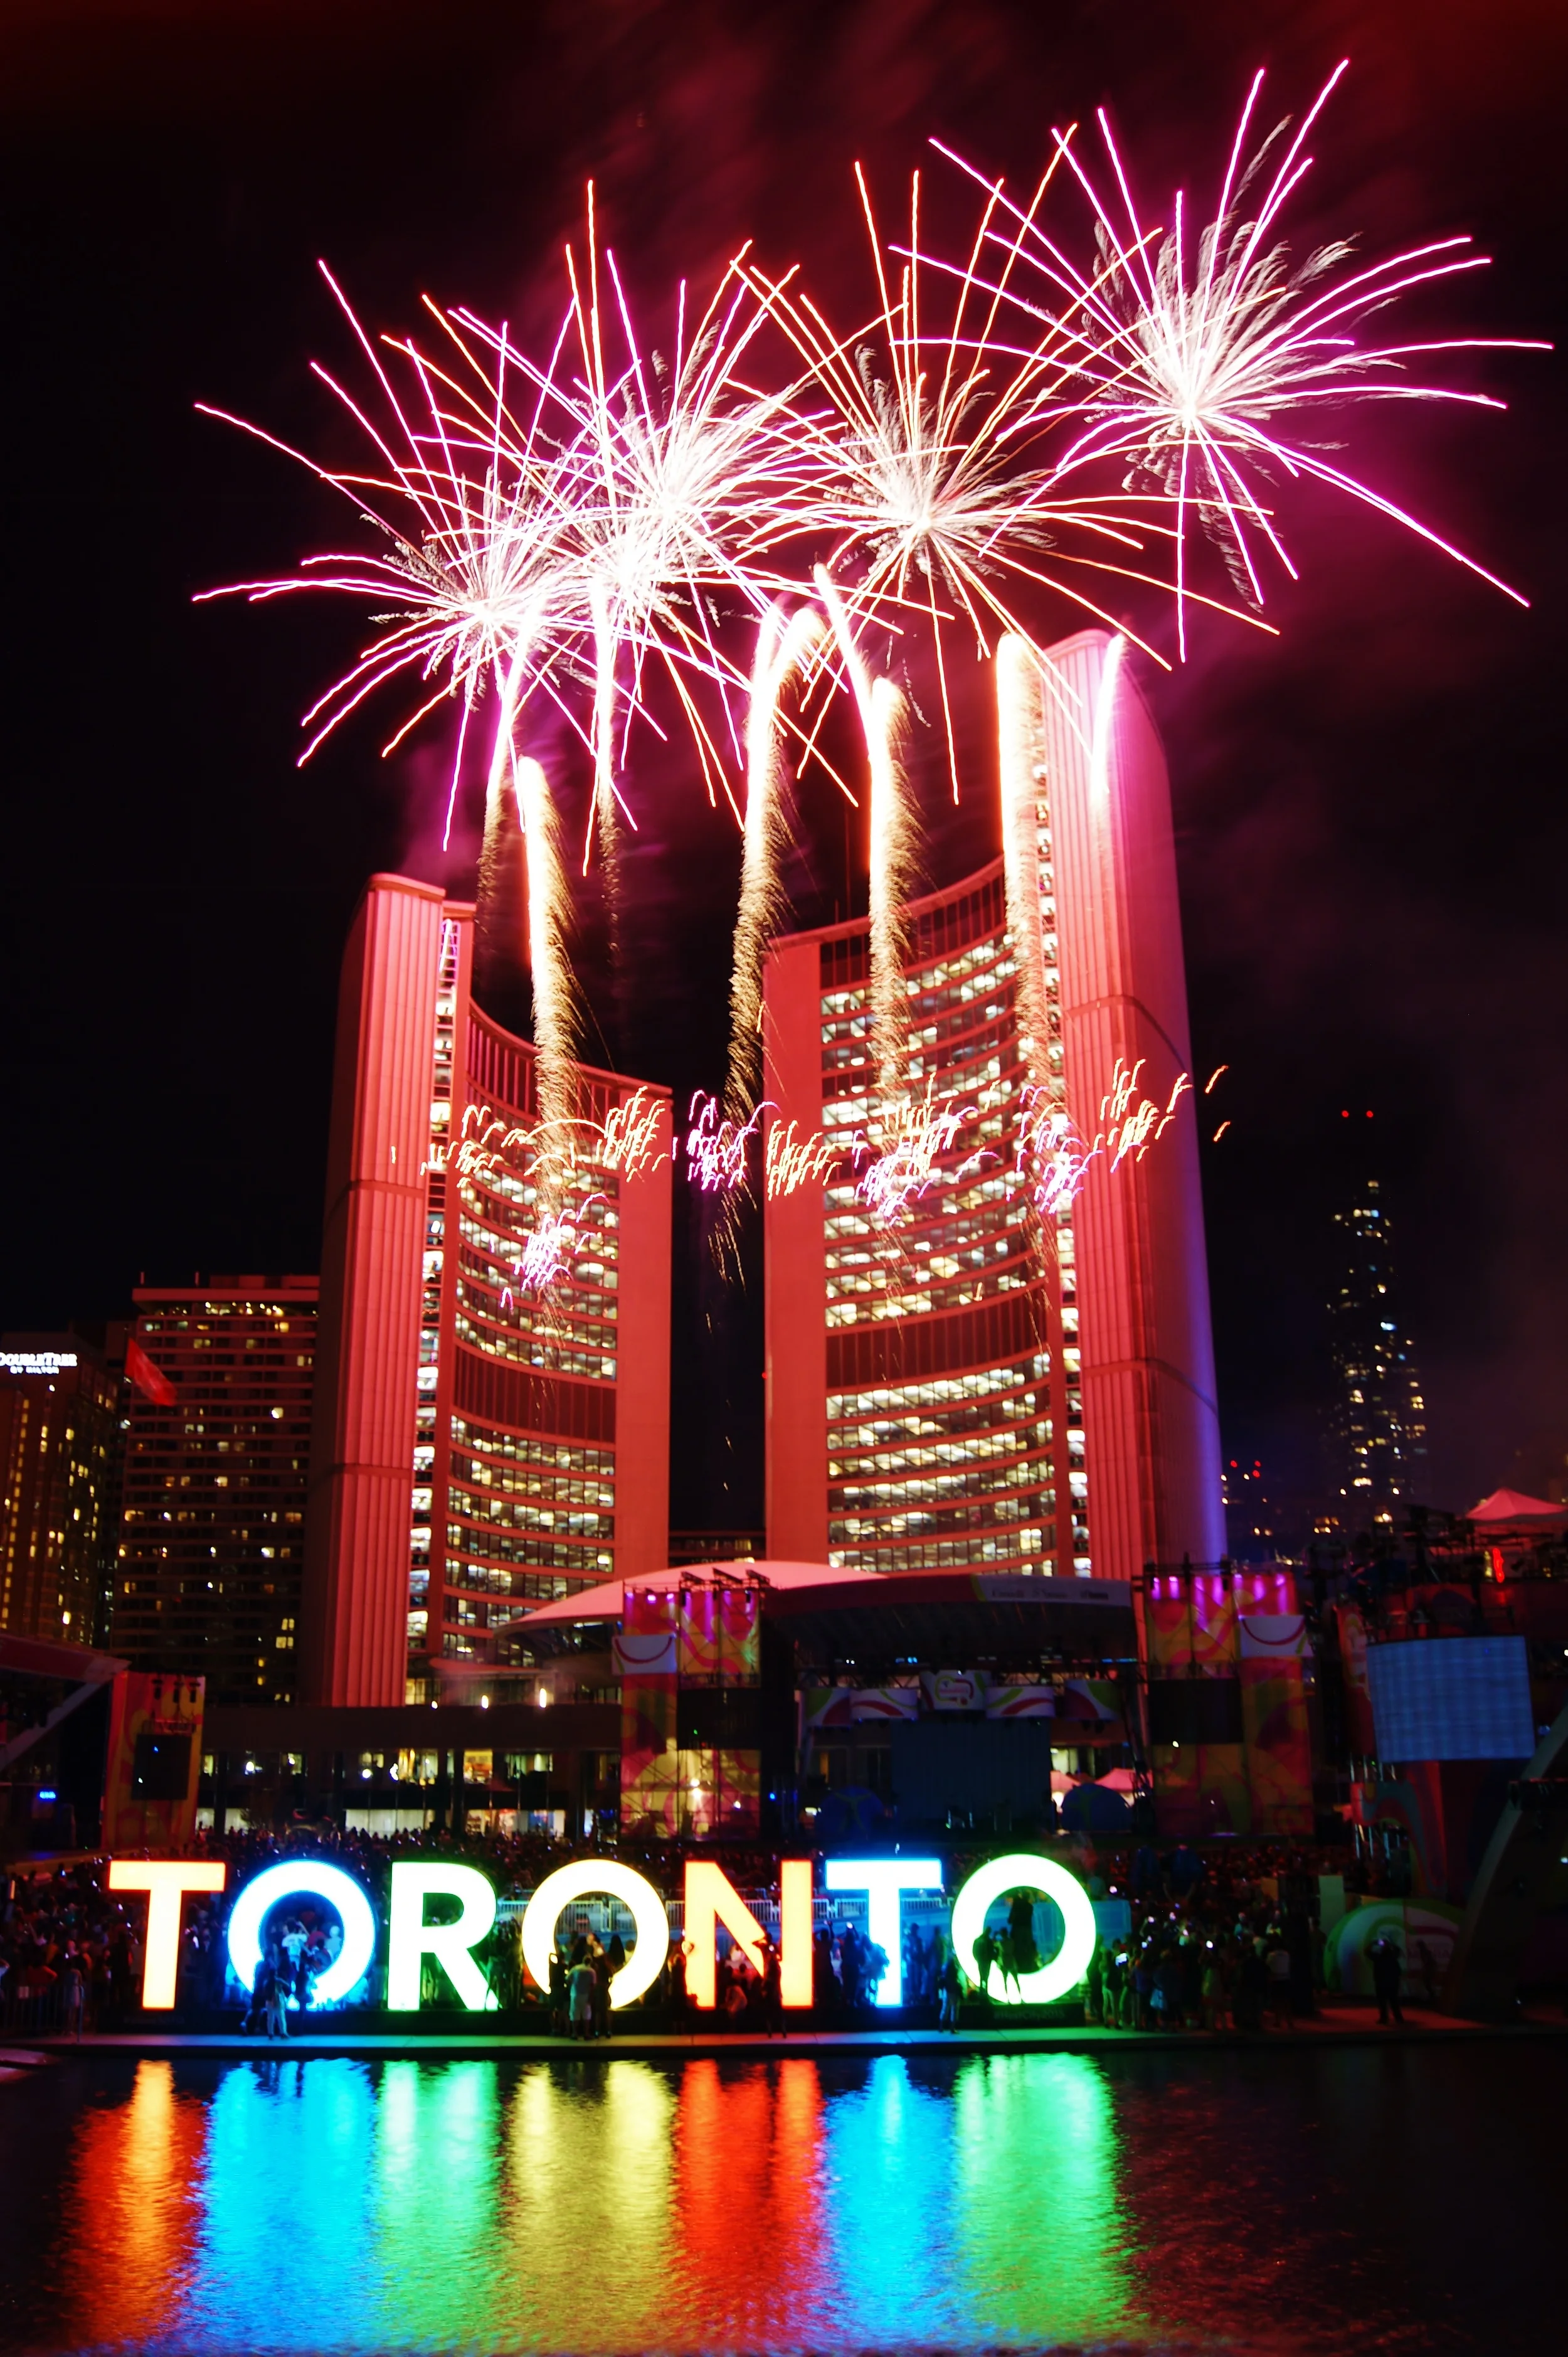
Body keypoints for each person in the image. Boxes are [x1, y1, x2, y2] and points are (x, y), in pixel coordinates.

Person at [1370, 1933, 1405, 2025]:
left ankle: (1384, 2019)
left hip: (1381, 1981)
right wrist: (1390, 1944)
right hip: (1392, 1981)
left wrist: (1374, 1943)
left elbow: (1367, 1952)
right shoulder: (1393, 1956)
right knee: (1393, 2000)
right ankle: (1398, 2018)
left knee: (1383, 2001)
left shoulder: (1378, 1957)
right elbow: (1398, 1950)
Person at [567, 1949, 597, 2040]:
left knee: (574, 2015)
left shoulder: (575, 1968)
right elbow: (593, 1986)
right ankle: (586, 2034)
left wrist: (572, 1988)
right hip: (586, 1995)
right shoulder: (592, 1971)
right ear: (590, 1962)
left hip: (575, 1995)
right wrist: (591, 1997)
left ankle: (575, 2034)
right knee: (586, 2016)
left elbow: (568, 1979)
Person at [938, 1940, 961, 2032]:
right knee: (954, 2009)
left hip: (946, 1989)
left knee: (945, 2008)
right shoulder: (955, 1965)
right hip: (953, 1989)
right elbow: (956, 1975)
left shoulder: (945, 1965)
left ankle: (941, 2026)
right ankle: (952, 2028)